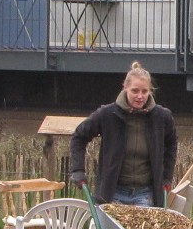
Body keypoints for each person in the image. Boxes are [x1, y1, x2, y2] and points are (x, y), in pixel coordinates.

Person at [69, 62, 180, 208]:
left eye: (144, 91)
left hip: (145, 194)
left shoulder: (162, 117)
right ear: (125, 88)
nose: (140, 96)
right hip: (113, 192)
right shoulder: (108, 114)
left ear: (150, 91)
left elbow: (172, 142)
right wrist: (78, 170)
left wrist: (166, 177)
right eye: (135, 91)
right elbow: (79, 137)